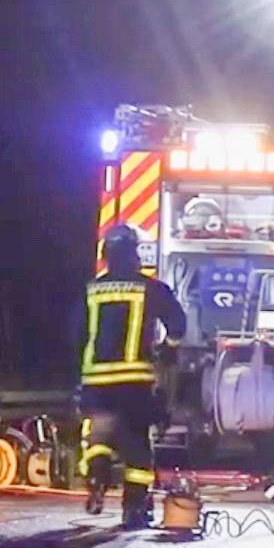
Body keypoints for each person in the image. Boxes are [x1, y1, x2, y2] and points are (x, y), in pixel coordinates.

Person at [77, 224, 186, 529]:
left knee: (99, 435)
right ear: (134, 254)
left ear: (106, 255)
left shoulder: (90, 290)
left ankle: (97, 475)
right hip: (135, 381)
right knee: (137, 445)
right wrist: (168, 349)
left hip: (96, 381)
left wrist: (78, 375)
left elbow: (75, 334)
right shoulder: (150, 288)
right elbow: (178, 323)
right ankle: (134, 510)